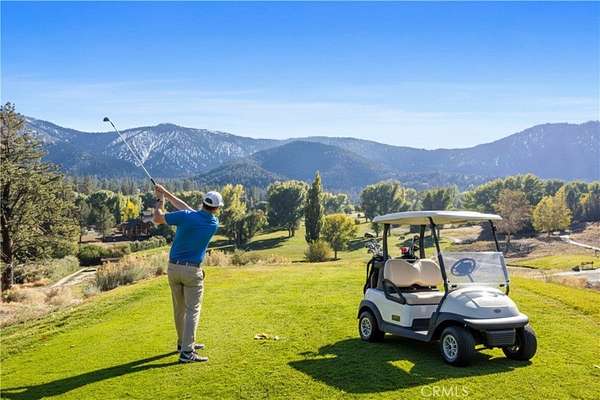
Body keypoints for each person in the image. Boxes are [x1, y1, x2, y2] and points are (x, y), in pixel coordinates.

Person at [153, 184, 223, 363]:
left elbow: (158, 218)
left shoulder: (186, 217)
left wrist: (159, 199)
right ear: (216, 208)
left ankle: (182, 343)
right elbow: (186, 208)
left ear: (202, 203)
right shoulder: (213, 223)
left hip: (173, 269)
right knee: (193, 310)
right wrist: (165, 193)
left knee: (179, 309)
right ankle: (187, 352)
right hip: (192, 271)